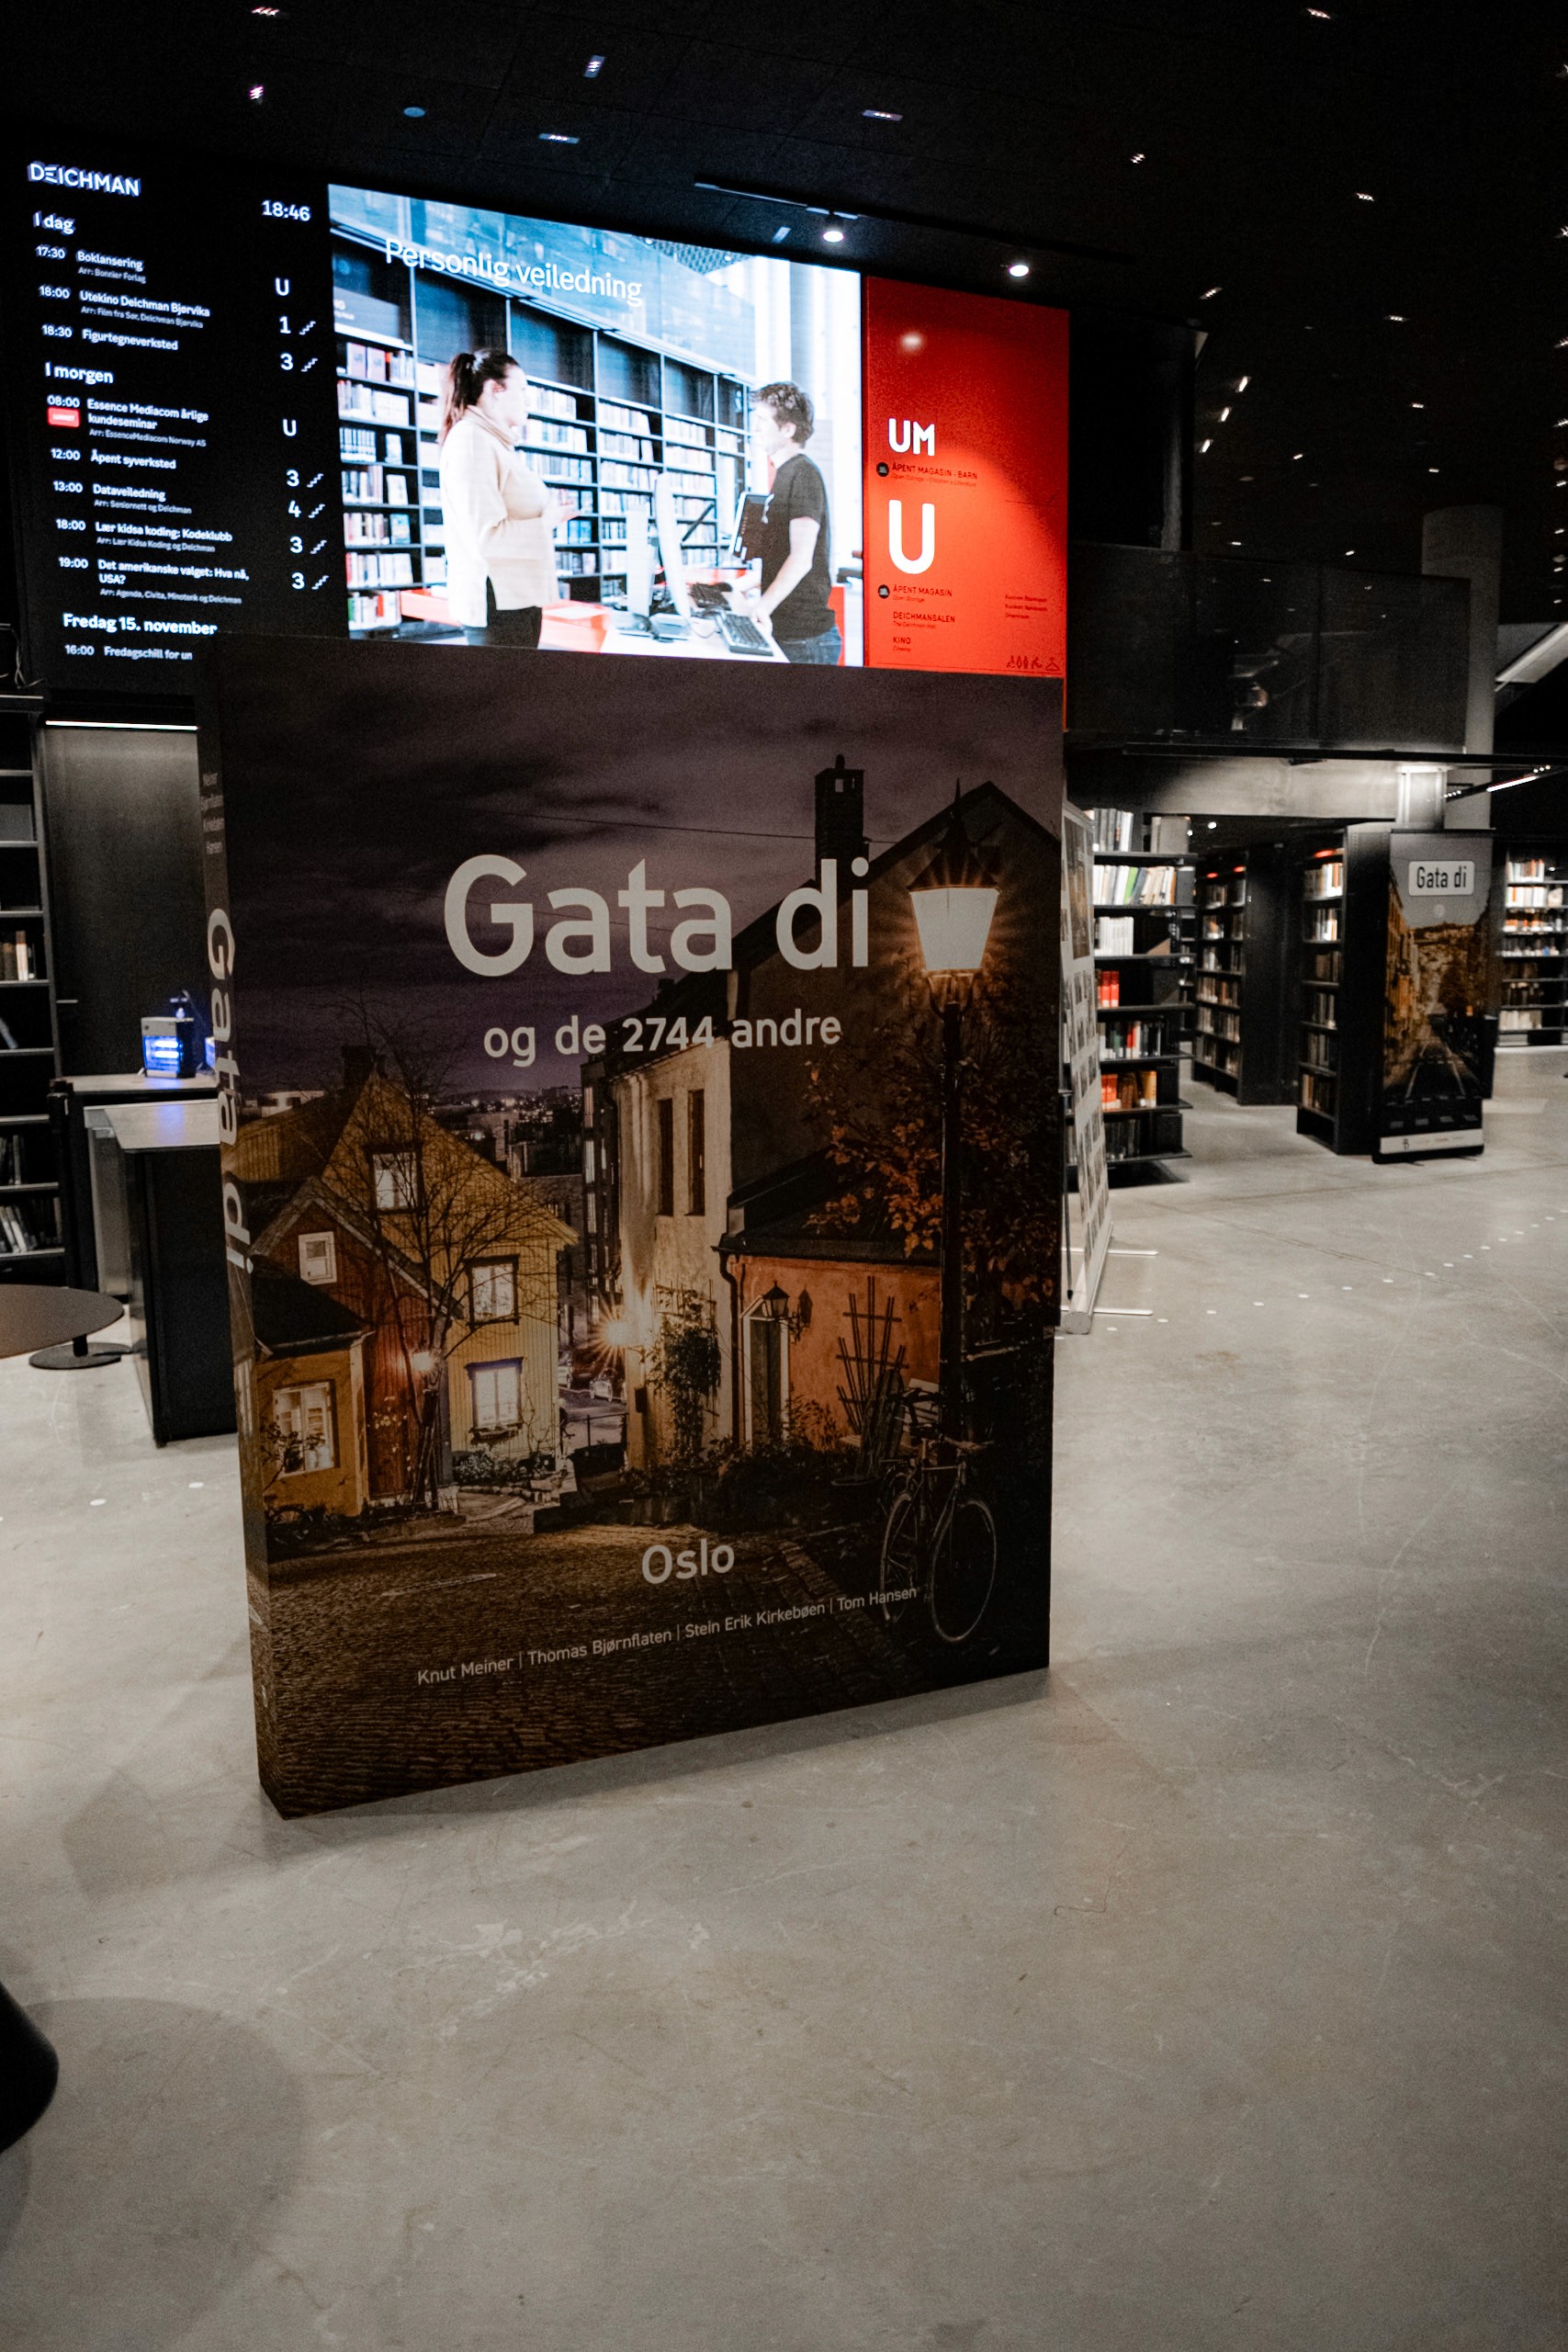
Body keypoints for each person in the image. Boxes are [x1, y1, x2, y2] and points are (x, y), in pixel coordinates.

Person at [436, 350, 560, 648]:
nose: (528, 401)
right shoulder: (471, 440)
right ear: (495, 389)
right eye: (522, 390)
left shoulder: (492, 441)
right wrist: (546, 523)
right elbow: (486, 537)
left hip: (513, 601)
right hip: (497, 606)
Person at [742, 381, 840, 665]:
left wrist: (762, 607)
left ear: (787, 429)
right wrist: (736, 587)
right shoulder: (785, 474)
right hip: (793, 636)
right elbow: (781, 558)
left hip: (806, 640)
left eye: (762, 420)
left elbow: (801, 559)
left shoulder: (803, 474)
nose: (755, 428)